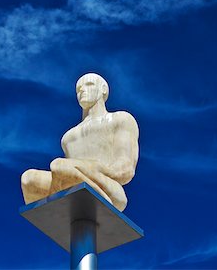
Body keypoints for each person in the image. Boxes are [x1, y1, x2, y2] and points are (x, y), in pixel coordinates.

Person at [21, 73, 139, 211]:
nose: (82, 90)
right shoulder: (68, 137)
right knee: (28, 179)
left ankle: (101, 200)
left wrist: (96, 168)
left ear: (103, 90)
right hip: (71, 181)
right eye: (78, 89)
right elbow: (66, 175)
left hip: (109, 187)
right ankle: (57, 213)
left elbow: (125, 170)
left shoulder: (121, 119)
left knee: (59, 165)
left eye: (89, 85)